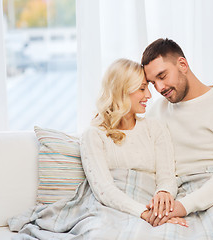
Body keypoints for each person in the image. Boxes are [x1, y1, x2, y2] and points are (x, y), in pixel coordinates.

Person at [142, 38, 213, 228]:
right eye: (153, 83)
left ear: (182, 64)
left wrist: (182, 207)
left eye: (162, 76)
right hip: (174, 189)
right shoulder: (158, 110)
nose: (159, 88)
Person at [80, 58, 187, 226]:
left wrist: (163, 198)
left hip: (152, 207)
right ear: (121, 90)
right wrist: (144, 214)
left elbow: (167, 176)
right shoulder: (93, 135)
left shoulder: (155, 127)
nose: (149, 95)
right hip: (114, 209)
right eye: (142, 88)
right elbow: (104, 191)